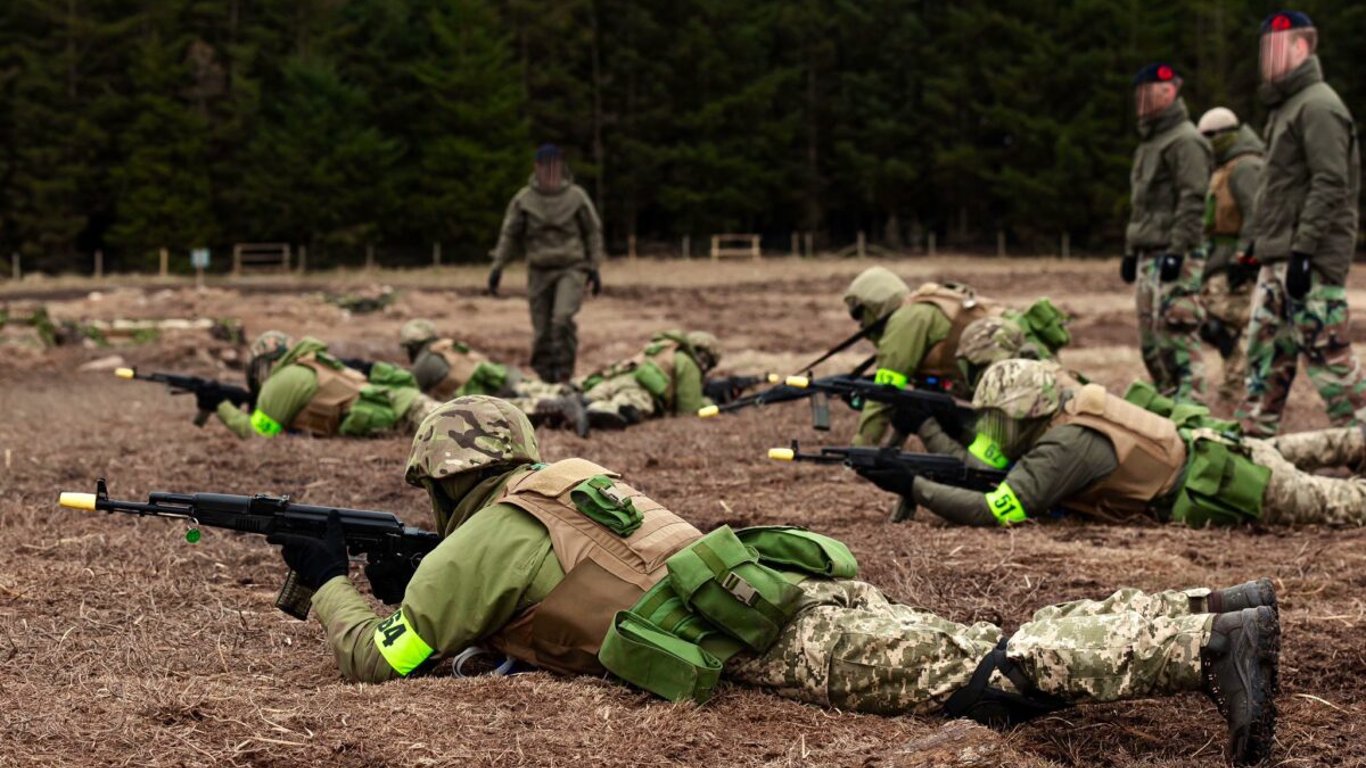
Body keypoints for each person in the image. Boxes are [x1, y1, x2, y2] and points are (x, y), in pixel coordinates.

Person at [267, 395, 1280, 766]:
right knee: (974, 636)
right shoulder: (568, 482)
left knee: (977, 668)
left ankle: (1203, 645)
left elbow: (386, 660)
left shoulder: (478, 540)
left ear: (444, 482)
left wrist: (325, 583)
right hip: (780, 590)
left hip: (773, 634)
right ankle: (1205, 607)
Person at [896, 359, 1366, 528]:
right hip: (1212, 450)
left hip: (1224, 481)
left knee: (1345, 502)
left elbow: (996, 508)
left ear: (1026, 412)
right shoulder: (1067, 407)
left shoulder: (1064, 446)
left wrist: (915, 485)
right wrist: (933, 433)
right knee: (1321, 447)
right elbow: (986, 464)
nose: (992, 428)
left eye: (999, 418)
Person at [1239, 11, 1366, 438]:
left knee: (1332, 365)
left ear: (1302, 47)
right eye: (1264, 49)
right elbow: (1279, 190)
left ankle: (1361, 444)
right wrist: (1258, 247)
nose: (1268, 59)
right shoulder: (1287, 106)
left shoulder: (1318, 105)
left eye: (1278, 47)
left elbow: (1331, 183)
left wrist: (1304, 251)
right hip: (1280, 257)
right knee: (1264, 359)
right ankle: (1254, 452)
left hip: (1306, 258)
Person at [841, 267, 1069, 448]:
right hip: (1026, 369)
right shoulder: (922, 307)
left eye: (861, 313)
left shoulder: (907, 319)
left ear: (876, 304)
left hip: (1018, 380)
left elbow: (885, 390)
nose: (861, 323)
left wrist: (862, 446)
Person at [1122, 63, 1213, 405]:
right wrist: (1131, 251)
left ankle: (1195, 417)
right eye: (1139, 93)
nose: (1142, 100)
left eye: (1150, 92)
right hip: (1149, 253)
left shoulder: (1186, 140)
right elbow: (1142, 204)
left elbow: (1193, 199)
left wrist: (1178, 250)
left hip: (1177, 254)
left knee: (1177, 339)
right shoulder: (1149, 143)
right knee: (1152, 346)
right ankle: (1169, 414)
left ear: (1170, 92)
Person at [488, 144, 605, 384]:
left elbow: (592, 232)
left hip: (571, 267)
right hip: (539, 269)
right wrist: (497, 267)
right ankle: (544, 376)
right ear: (536, 168)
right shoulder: (524, 199)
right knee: (541, 331)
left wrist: (594, 266)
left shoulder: (576, 197)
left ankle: (564, 372)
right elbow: (510, 234)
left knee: (561, 320)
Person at [212, 331, 439, 439]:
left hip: (404, 410)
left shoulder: (284, 378)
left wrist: (221, 406)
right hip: (403, 404)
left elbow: (259, 433)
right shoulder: (309, 365)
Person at [399, 319, 588, 436]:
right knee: (538, 391)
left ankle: (562, 404)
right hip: (502, 377)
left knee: (512, 410)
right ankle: (584, 400)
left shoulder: (423, 362)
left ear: (412, 346)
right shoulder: (450, 346)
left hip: (481, 392)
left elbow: (413, 390)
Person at [1197, 107, 1264, 404]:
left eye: (1210, 136)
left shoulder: (1246, 167)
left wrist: (1244, 257)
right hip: (1218, 257)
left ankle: (1246, 386)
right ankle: (1236, 383)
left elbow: (1256, 213)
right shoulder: (1226, 167)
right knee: (1212, 323)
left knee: (1244, 322)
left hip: (1236, 259)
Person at [577, 330, 721, 429]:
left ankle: (573, 403)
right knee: (615, 409)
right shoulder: (689, 365)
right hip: (639, 392)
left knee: (588, 398)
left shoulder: (664, 348)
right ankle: (590, 410)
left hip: (620, 379)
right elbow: (688, 409)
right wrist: (708, 402)